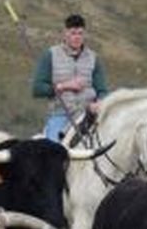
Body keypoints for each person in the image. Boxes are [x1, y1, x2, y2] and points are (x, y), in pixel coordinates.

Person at [32, 13, 109, 142]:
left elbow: (102, 90)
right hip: (60, 114)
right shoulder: (50, 55)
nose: (77, 37)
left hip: (88, 114)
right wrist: (65, 86)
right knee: (54, 151)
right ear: (65, 33)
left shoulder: (94, 58)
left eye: (80, 33)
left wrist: (99, 102)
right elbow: (37, 89)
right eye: (73, 33)